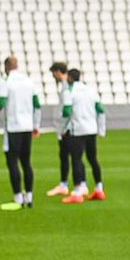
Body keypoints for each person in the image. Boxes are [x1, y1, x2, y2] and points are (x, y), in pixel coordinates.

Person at [0, 56, 41, 211]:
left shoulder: (5, 81)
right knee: (26, 162)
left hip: (13, 127)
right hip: (27, 127)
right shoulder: (28, 81)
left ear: (6, 66)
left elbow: (0, 104)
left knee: (12, 162)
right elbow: (37, 104)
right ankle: (29, 196)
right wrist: (36, 125)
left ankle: (17, 198)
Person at [59, 68, 107, 204]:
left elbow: (67, 112)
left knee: (77, 159)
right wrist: (101, 129)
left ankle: (78, 190)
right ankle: (99, 188)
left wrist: (62, 128)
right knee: (93, 159)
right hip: (91, 129)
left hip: (77, 129)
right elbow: (101, 110)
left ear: (69, 78)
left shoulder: (70, 92)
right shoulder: (91, 90)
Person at [46, 61, 72, 198]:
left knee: (66, 155)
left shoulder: (66, 85)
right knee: (68, 155)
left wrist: (63, 127)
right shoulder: (66, 84)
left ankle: (65, 185)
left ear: (57, 71)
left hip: (67, 126)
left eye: (53, 73)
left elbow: (68, 107)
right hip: (67, 125)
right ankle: (74, 184)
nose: (53, 76)